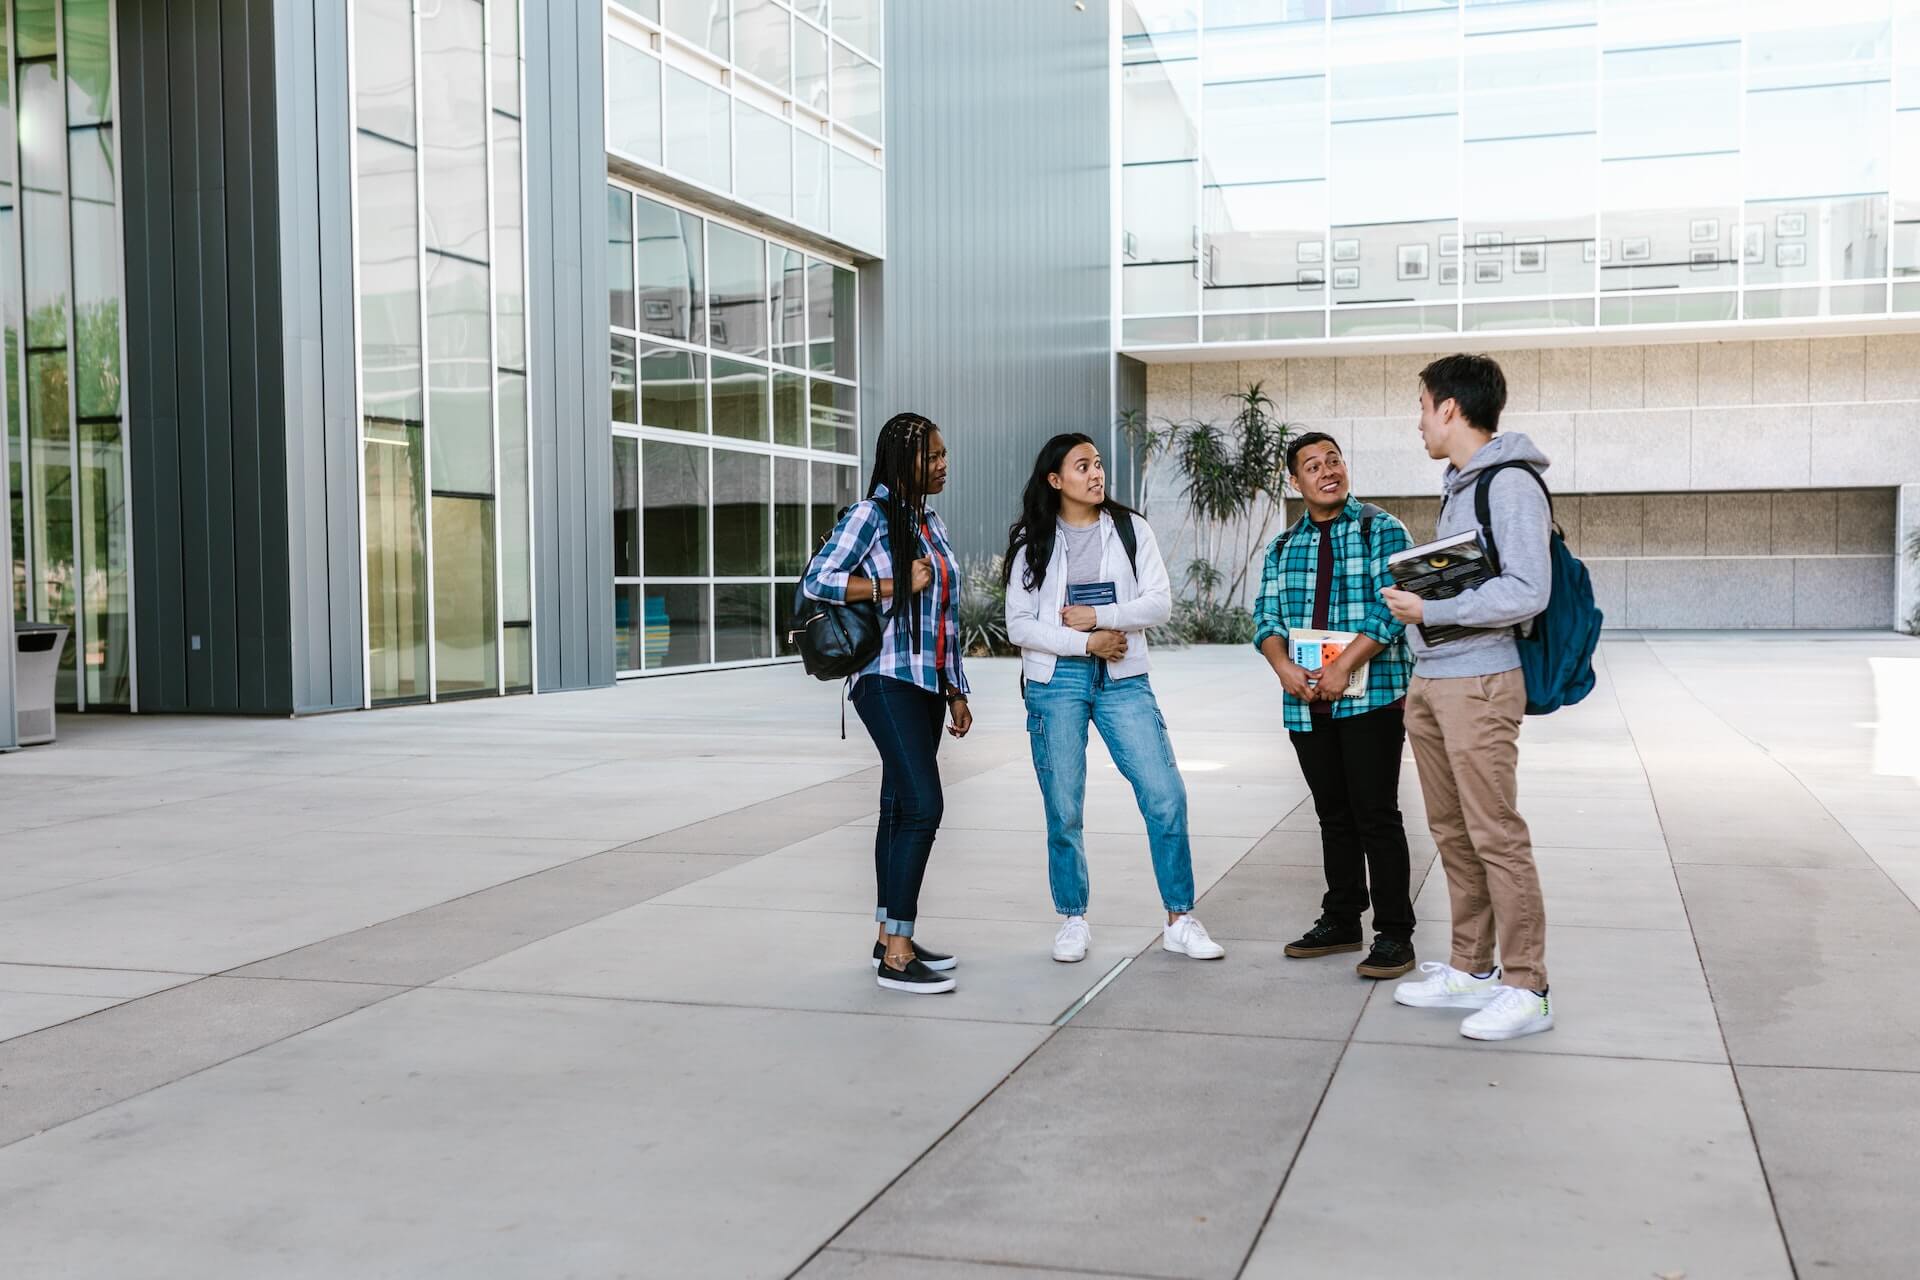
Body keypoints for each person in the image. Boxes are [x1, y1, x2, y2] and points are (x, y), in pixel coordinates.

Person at [1381, 353, 1556, 1041]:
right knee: (1452, 832)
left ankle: (1527, 985)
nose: (1419, 422)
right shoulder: (1461, 483)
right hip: (1436, 678)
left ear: (1450, 407)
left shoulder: (1510, 484)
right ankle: (1472, 967)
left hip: (1479, 680)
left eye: (1422, 406)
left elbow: (1527, 591)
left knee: (1495, 833)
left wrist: (1432, 612)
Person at [1003, 433, 1225, 965]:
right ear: (1055, 480)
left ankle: (1179, 919)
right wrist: (1086, 642)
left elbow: (1159, 602)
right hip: (1056, 682)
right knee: (1064, 806)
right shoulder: (1031, 539)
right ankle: (1073, 918)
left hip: (1124, 678)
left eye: (1098, 464)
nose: (1096, 473)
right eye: (1083, 466)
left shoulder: (1130, 529)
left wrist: (1102, 619)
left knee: (1165, 794)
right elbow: (1019, 624)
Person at [802, 413, 973, 995]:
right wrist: (892, 584)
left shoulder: (930, 522)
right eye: (933, 457)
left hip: (925, 683)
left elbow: (945, 616)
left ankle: (888, 935)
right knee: (924, 805)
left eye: (944, 454)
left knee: (900, 808)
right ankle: (897, 957)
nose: (943, 464)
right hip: (884, 678)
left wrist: (956, 688)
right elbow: (818, 580)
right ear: (903, 462)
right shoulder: (867, 517)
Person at [1252, 432, 1418, 980]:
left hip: (1371, 697)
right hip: (1306, 702)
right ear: (1294, 481)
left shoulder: (1380, 529)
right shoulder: (1281, 548)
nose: (1328, 471)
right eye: (1312, 466)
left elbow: (1393, 610)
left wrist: (1345, 663)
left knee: (1376, 815)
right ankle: (1342, 918)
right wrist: (1283, 668)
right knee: (1333, 816)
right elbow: (1266, 619)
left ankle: (1394, 934)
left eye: (1334, 460)